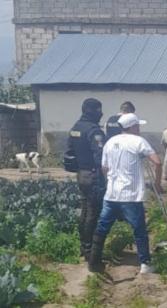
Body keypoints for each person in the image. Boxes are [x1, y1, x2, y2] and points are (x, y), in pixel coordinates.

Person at [88, 113, 162, 274]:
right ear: (133, 126)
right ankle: (145, 263)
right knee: (139, 229)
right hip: (131, 195)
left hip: (112, 194)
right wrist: (157, 183)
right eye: (138, 126)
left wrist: (110, 181)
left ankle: (93, 261)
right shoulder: (139, 141)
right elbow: (157, 161)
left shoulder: (110, 142)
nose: (140, 128)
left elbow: (104, 168)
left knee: (102, 228)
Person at [68, 98, 106, 261]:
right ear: (91, 111)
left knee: (85, 210)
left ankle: (83, 246)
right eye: (99, 110)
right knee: (93, 212)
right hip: (93, 175)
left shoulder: (75, 128)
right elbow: (100, 156)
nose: (101, 113)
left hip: (81, 174)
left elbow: (70, 152)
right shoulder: (93, 130)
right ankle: (89, 249)